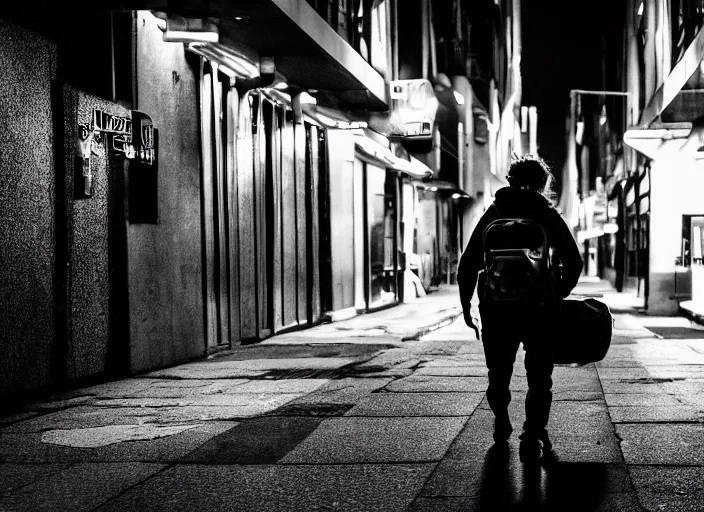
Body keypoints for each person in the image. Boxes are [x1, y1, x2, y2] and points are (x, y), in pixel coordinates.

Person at [457, 155, 583, 461]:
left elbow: (468, 264)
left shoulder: (494, 212)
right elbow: (574, 261)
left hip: (496, 308)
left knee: (498, 373)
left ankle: (502, 419)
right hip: (539, 308)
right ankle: (531, 434)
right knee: (540, 376)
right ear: (543, 183)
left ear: (510, 180)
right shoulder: (546, 214)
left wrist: (467, 307)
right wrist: (556, 292)